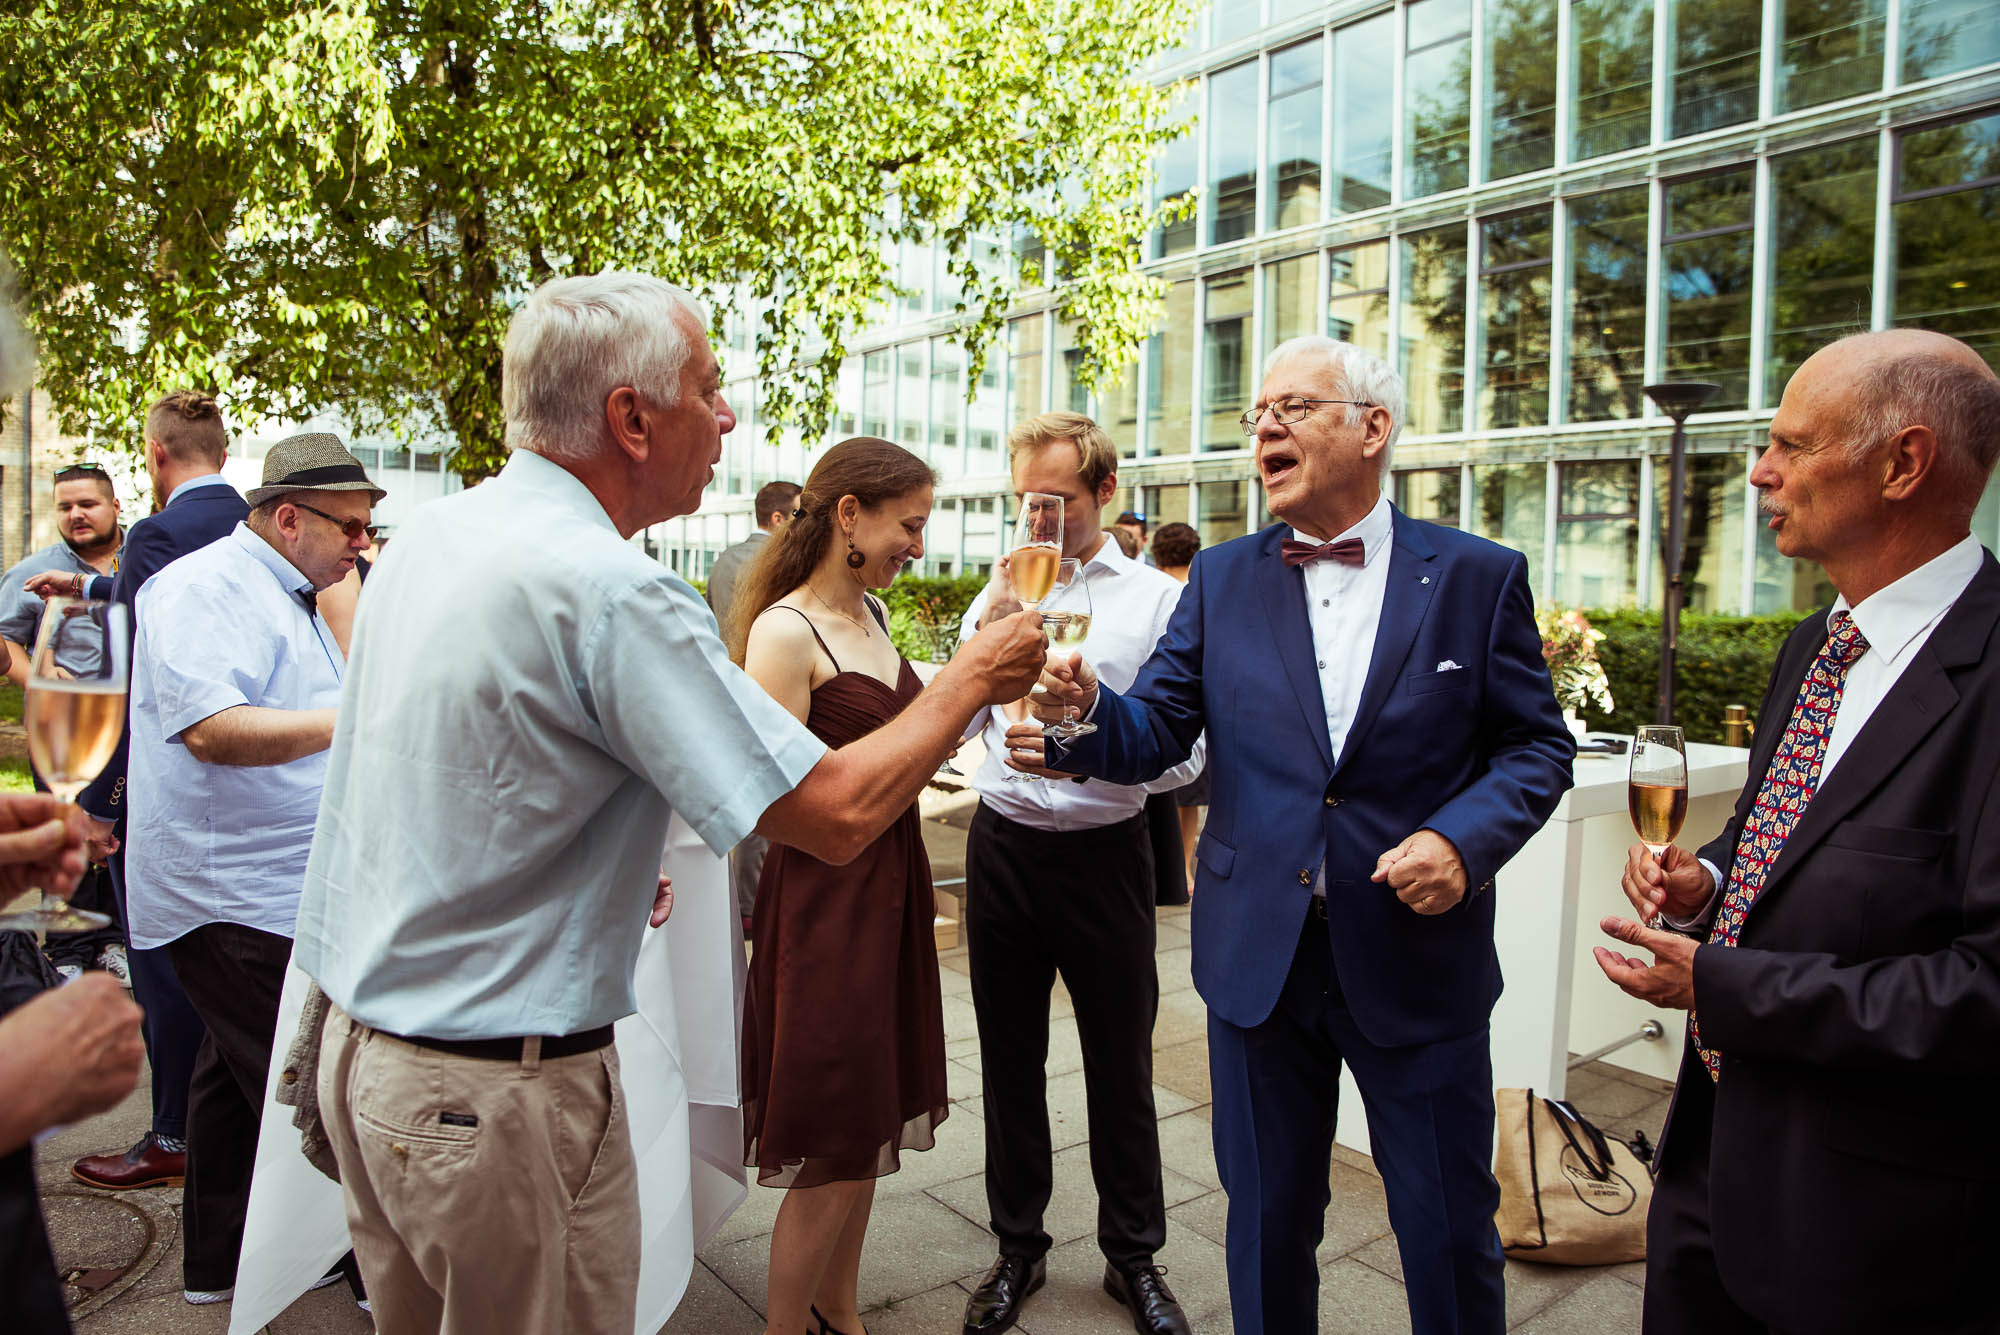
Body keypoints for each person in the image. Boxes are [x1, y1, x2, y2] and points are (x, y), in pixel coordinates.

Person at [290, 271, 1047, 1335]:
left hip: (369, 1064)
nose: (729, 413)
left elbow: (453, 764)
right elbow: (829, 810)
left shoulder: (429, 540)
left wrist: (590, 849)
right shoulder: (615, 589)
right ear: (630, 418)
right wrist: (973, 676)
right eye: (709, 386)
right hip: (493, 1102)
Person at [1016, 335, 1574, 1335]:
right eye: (1255, 415)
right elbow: (1153, 734)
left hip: (1414, 956)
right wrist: (1080, 715)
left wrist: (1460, 841)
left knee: (1446, 1229)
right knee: (1267, 1227)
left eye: (1294, 408)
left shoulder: (1477, 578)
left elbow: (1533, 751)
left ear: (1372, 428)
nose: (1264, 426)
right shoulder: (1222, 580)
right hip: (1254, 957)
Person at [1595, 328, 2000, 1335]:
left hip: (1871, 1236)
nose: (1758, 471)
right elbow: (1793, 846)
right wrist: (1714, 882)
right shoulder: (1810, 649)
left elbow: (1982, 992)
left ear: (1902, 463)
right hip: (1705, 1175)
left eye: (1789, 444)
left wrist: (1718, 985)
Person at [122, 431, 381, 1305]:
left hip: (274, 882)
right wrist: (358, 717)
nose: (361, 543)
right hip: (226, 890)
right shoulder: (200, 587)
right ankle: (372, 1265)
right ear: (285, 517)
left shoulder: (297, 588)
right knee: (316, 1088)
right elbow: (214, 730)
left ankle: (217, 1264)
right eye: (349, 525)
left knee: (233, 1085)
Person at [957, 412, 1202, 1335]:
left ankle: (1131, 1257)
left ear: (1104, 493)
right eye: (1026, 502)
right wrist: (992, 712)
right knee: (1009, 1058)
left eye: (1054, 502)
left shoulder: (1159, 602)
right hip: (1006, 844)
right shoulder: (1007, 583)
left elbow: (1184, 758)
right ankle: (1016, 1245)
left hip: (1106, 855)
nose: (1037, 522)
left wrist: (1080, 743)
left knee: (1121, 1062)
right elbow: (971, 705)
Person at [729, 438, 952, 1335]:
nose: (920, 546)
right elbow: (771, 798)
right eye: (911, 524)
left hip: (891, 890)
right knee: (836, 1143)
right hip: (826, 908)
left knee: (867, 1128)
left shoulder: (875, 618)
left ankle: (841, 1313)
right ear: (850, 514)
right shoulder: (785, 632)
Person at [60, 390, 249, 1197]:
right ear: (225, 454)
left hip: (173, 784)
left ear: (156, 456)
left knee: (164, 964)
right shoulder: (259, 525)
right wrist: (95, 595)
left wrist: (101, 801)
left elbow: (137, 674)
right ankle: (235, 1131)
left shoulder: (155, 534)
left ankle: (171, 1129)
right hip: (258, 781)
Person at [2, 462, 127, 983]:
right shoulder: (32, 571)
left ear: (115, 507)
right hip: (61, 727)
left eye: (88, 504)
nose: (76, 514)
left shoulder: (138, 560)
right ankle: (68, 948)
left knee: (115, 832)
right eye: (65, 506)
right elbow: (6, 640)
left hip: (120, 725)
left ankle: (114, 939)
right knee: (64, 822)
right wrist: (45, 688)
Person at [708, 478, 801, 930]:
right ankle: (751, 906)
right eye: (798, 516)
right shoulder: (771, 561)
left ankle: (741, 903)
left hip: (724, 688)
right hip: (758, 690)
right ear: (779, 518)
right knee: (763, 800)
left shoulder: (724, 560)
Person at [1149, 523, 1206, 887]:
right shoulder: (1202, 587)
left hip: (1167, 706)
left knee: (1170, 795)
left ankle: (1172, 868)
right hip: (1203, 710)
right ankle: (1185, 867)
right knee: (1193, 800)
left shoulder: (1154, 590)